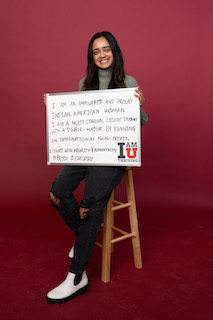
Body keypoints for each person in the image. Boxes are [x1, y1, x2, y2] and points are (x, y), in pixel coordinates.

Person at [44, 31, 148, 303]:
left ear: (115, 51)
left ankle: (77, 276)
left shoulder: (128, 81)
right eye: (96, 51)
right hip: (87, 152)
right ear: (91, 56)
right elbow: (79, 123)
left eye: (106, 49)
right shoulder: (84, 83)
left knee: (89, 205)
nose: (102, 55)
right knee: (57, 192)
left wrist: (139, 105)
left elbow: (139, 123)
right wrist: (57, 109)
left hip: (113, 157)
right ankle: (84, 238)